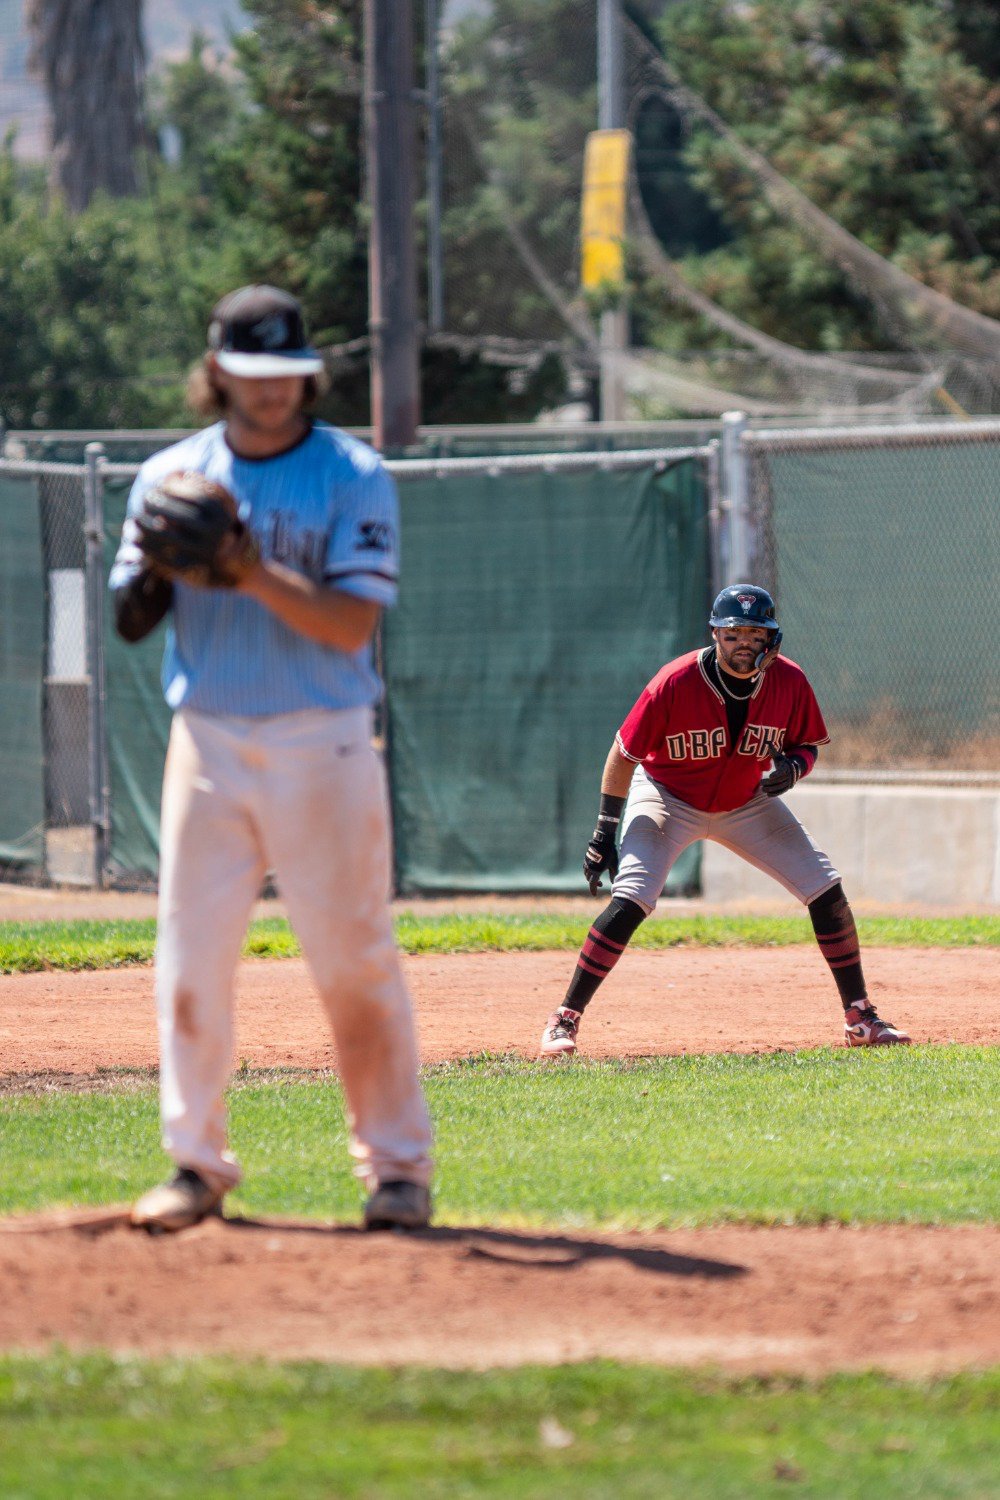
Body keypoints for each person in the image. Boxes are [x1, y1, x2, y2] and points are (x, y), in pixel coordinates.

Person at [110, 284, 433, 1232]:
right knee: (191, 959)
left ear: (308, 373)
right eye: (252, 376)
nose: (272, 392)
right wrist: (166, 566)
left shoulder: (352, 475)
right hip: (206, 738)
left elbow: (348, 624)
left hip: (322, 742)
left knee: (354, 959)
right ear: (217, 375)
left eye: (288, 375)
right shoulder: (172, 476)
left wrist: (248, 569)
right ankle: (195, 1166)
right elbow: (131, 618)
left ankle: (398, 1171)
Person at [540, 584, 911, 1056]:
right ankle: (565, 1019)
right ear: (715, 633)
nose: (744, 643)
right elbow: (623, 755)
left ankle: (861, 1017)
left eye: (755, 634)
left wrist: (795, 767)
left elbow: (807, 744)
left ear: (771, 640)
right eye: (734, 632)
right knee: (633, 895)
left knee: (826, 889)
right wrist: (603, 831)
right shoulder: (674, 681)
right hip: (667, 797)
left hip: (746, 802)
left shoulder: (790, 680)